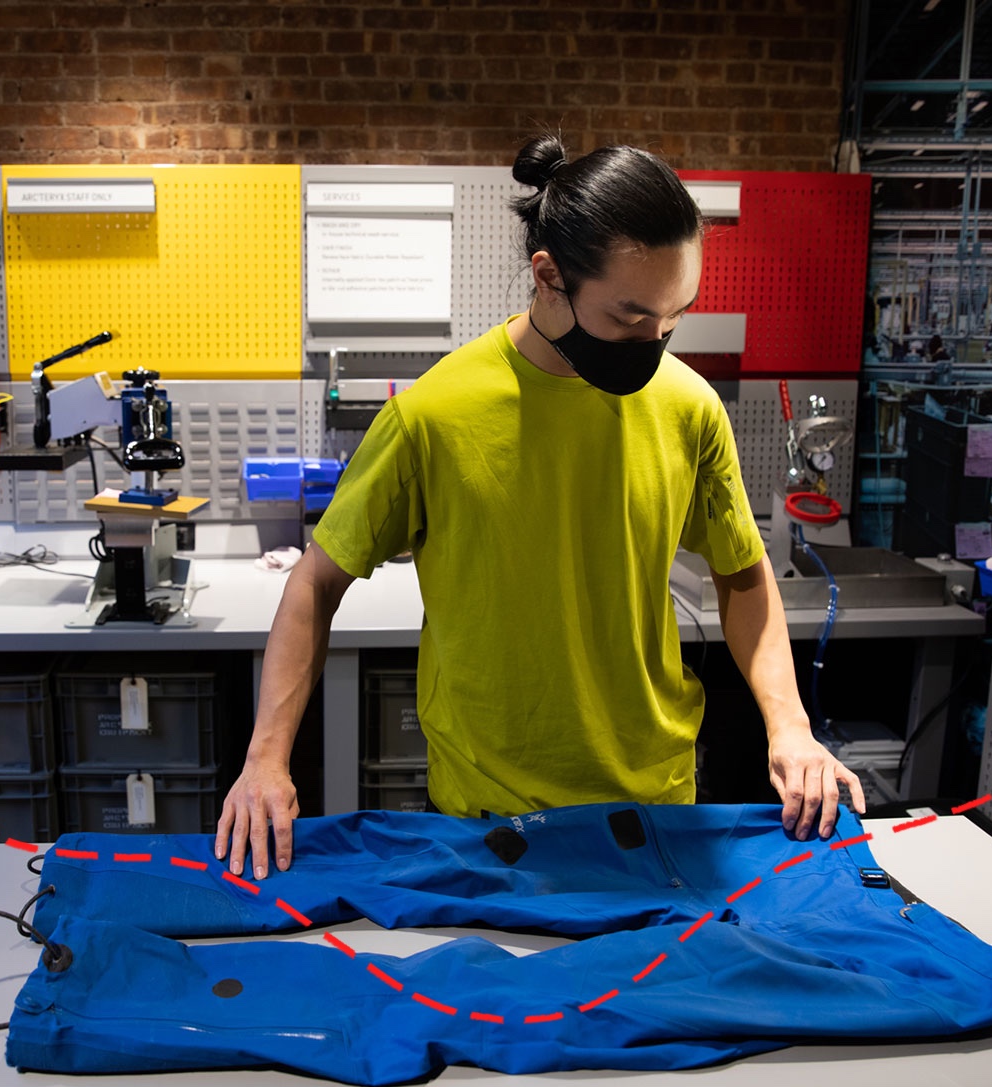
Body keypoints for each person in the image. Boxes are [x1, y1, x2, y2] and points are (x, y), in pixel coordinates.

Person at [216, 136, 866, 881]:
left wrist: (789, 726)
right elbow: (314, 583)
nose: (654, 341)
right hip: (488, 819)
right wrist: (266, 758)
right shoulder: (434, 414)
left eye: (674, 316)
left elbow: (744, 575)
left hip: (655, 803)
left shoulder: (690, 409)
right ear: (549, 275)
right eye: (629, 317)